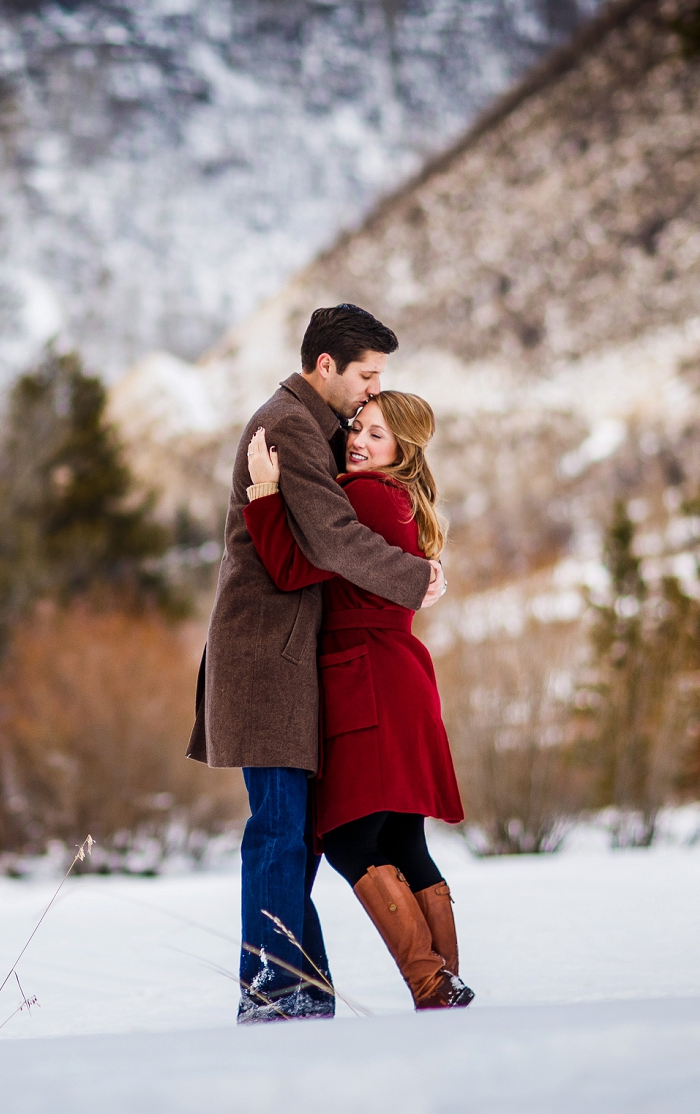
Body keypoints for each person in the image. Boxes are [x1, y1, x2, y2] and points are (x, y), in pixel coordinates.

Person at [188, 304, 445, 1024]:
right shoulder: (289, 428)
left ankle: (304, 988)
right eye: (367, 375)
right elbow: (328, 543)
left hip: (294, 663)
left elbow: (314, 550)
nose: (372, 391)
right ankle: (271, 988)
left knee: (297, 834)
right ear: (325, 366)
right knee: (278, 829)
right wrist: (413, 577)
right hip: (266, 663)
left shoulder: (323, 429)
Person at [241, 390, 474, 1010]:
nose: (358, 442)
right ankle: (443, 984)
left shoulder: (365, 495)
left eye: (377, 435)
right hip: (397, 676)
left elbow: (292, 568)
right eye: (357, 429)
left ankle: (431, 984)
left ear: (403, 449)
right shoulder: (401, 501)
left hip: (363, 676)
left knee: (348, 839)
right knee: (403, 842)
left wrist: (264, 492)